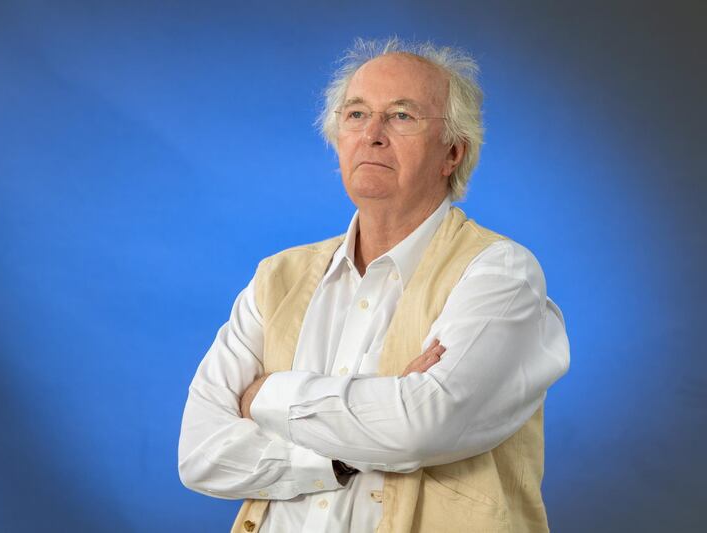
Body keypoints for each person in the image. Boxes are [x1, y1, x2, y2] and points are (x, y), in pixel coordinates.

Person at [178, 37, 570, 533]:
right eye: (356, 114)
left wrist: (264, 398)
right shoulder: (277, 277)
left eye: (402, 116)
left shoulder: (500, 273)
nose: (373, 135)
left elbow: (421, 426)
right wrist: (344, 455)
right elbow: (200, 453)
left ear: (452, 151)